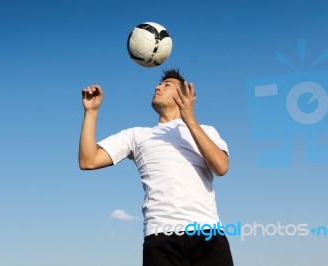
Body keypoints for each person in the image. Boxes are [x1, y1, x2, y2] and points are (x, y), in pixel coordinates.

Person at [79, 69, 234, 266]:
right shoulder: (137, 135)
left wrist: (190, 120)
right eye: (159, 84)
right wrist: (91, 113)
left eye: (167, 84)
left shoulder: (207, 131)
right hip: (161, 237)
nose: (157, 86)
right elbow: (88, 160)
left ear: (183, 95)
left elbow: (221, 167)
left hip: (208, 234)